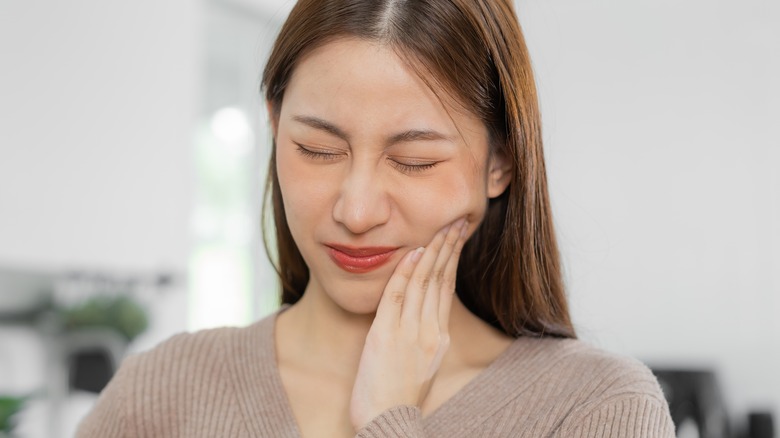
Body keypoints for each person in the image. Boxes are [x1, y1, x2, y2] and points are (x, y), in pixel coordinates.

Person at [78, 0, 675, 436]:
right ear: (273, 126)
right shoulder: (158, 396)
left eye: (414, 161)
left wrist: (390, 419)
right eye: (317, 149)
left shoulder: (595, 408)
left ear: (500, 163)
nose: (356, 211)